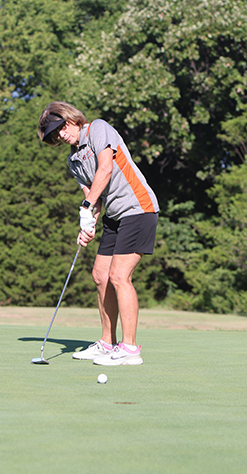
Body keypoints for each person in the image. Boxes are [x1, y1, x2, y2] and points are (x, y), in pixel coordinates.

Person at [38, 101, 159, 366]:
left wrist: (86, 207)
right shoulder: (74, 160)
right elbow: (93, 200)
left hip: (138, 208)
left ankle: (129, 349)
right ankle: (107, 343)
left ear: (71, 119)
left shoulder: (98, 129)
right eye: (54, 134)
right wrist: (87, 224)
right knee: (100, 275)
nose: (61, 135)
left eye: (61, 127)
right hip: (114, 216)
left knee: (119, 275)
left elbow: (105, 169)